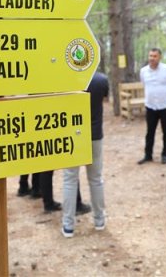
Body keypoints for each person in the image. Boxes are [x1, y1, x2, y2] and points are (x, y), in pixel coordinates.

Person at [61, 71, 108, 237]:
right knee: (96, 178)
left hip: (72, 134)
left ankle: (68, 225)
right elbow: (105, 99)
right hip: (95, 135)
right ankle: (99, 219)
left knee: (69, 179)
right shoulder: (101, 79)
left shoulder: (64, 78)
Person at [138, 48, 166, 165]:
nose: (152, 58)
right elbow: (144, 84)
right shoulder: (143, 71)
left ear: (160, 57)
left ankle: (165, 154)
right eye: (150, 56)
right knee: (150, 131)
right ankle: (148, 155)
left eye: (155, 56)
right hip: (150, 105)